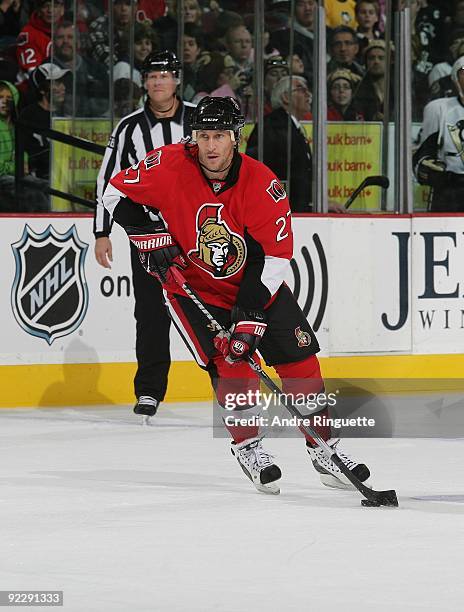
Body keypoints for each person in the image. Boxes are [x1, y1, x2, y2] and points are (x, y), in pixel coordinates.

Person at [101, 96, 370, 494]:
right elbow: (113, 193)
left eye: (220, 136)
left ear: (236, 138)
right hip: (194, 289)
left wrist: (249, 314)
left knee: (302, 363)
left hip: (257, 285)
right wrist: (148, 235)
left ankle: (324, 448)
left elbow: (275, 255)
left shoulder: (262, 183)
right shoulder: (168, 164)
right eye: (203, 135)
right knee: (233, 367)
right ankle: (247, 446)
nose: (210, 146)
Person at [94, 50, 195, 421]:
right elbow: (108, 182)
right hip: (148, 234)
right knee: (151, 312)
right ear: (144, 82)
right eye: (151, 76)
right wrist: (102, 232)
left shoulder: (201, 118)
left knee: (214, 307)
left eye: (165, 75)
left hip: (197, 230)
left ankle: (226, 380)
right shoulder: (129, 128)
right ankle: (150, 390)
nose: (157, 82)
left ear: (177, 80)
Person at [413, 55, 464, 212]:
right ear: (455, 77)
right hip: (450, 194)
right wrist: (427, 168)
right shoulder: (439, 109)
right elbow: (422, 156)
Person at [18, 62, 69, 180]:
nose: (63, 87)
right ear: (41, 90)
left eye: (62, 82)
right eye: (56, 83)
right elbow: (29, 154)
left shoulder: (66, 112)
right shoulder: (28, 116)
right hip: (41, 178)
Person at [16, 0, 64, 78]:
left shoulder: (68, 29)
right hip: (39, 86)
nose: (50, 10)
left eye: (54, 6)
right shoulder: (28, 34)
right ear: (38, 10)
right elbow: (33, 74)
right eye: (45, 6)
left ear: (62, 10)